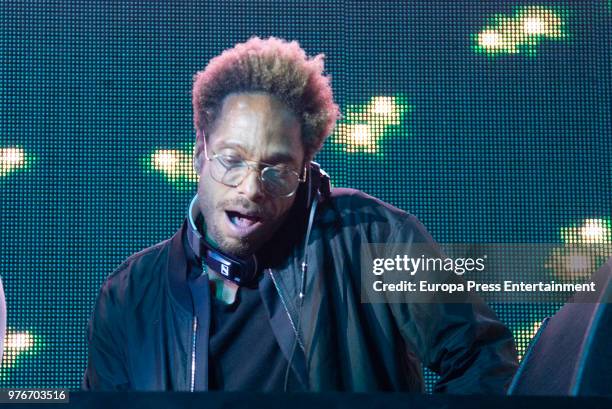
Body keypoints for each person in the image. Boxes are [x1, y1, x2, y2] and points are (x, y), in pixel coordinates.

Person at [83, 36, 518, 392]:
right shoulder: (130, 294)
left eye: (278, 169)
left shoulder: (376, 238)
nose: (252, 188)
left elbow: (484, 361)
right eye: (232, 160)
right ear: (200, 154)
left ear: (305, 168)